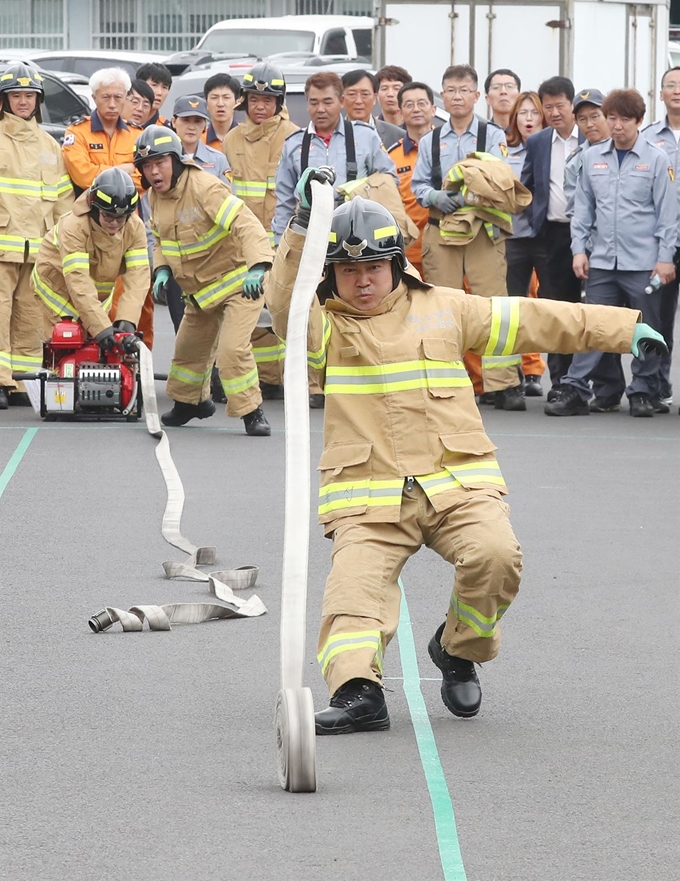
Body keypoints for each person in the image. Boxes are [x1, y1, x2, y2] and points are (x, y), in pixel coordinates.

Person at [268, 172, 667, 734]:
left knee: (496, 557)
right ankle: (359, 691)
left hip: (457, 483)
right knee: (353, 596)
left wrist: (624, 328)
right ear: (331, 273)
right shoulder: (326, 327)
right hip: (369, 495)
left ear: (395, 264)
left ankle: (459, 649)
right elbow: (285, 306)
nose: (362, 282)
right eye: (348, 271)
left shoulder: (446, 309)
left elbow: (536, 320)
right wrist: (303, 228)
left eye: (373, 269)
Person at [135, 126, 274, 436]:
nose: (154, 171)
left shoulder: (205, 187)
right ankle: (190, 404)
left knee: (232, 352)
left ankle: (252, 412)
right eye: (147, 166)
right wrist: (161, 270)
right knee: (186, 352)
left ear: (176, 160)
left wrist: (258, 267)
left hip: (239, 284)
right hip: (199, 294)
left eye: (160, 162)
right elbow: (159, 240)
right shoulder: (154, 198)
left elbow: (245, 224)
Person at [546, 89, 677, 418]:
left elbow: (668, 214)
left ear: (639, 122)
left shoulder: (658, 160)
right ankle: (576, 387)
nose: (617, 126)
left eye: (626, 120)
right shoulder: (591, 158)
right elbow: (582, 212)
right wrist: (579, 251)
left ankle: (643, 390)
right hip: (602, 260)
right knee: (593, 326)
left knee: (646, 329)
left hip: (643, 262)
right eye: (613, 118)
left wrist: (665, 258)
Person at [411, 64, 525, 410]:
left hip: (483, 231)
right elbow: (418, 186)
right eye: (450, 90)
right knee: (441, 307)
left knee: (495, 307)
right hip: (441, 230)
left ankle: (503, 384)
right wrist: (436, 197)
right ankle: (446, 381)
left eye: (464, 90)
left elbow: (500, 180)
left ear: (477, 97)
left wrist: (469, 195)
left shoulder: (492, 136)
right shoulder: (430, 139)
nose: (457, 96)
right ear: (441, 97)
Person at [0, 62, 74, 409]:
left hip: (37, 249)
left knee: (31, 318)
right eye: (16, 95)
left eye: (29, 95)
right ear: (5, 99)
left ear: (38, 99)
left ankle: (22, 382)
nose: (23, 102)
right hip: (2, 247)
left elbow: (62, 200)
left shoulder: (49, 145)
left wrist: (64, 245)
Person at [223, 63, 299, 400]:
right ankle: (268, 379)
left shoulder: (294, 137)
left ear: (279, 101)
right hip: (240, 245)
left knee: (283, 312)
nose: (260, 106)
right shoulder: (231, 139)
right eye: (254, 99)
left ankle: (287, 379)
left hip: (283, 241)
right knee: (250, 313)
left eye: (267, 100)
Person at [272, 71, 399, 241]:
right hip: (309, 235)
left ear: (341, 102)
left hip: (358, 234)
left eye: (327, 102)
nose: (320, 109)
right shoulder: (294, 144)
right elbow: (284, 203)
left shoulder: (365, 136)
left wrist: (359, 192)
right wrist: (281, 244)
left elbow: (389, 181)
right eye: (314, 102)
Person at [32, 167, 149, 348]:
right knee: (66, 351)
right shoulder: (74, 227)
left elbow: (137, 278)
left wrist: (127, 320)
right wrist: (101, 328)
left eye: (121, 218)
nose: (115, 224)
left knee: (101, 355)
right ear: (94, 208)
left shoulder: (134, 227)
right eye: (108, 216)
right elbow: (78, 280)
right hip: (57, 293)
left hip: (95, 298)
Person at [520, 76, 581, 394]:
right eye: (549, 106)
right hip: (554, 235)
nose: (555, 112)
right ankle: (561, 381)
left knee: (599, 307)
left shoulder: (591, 137)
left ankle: (604, 384)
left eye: (560, 105)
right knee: (558, 308)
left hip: (592, 234)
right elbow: (527, 185)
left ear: (572, 105)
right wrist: (535, 220)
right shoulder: (539, 142)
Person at [504, 90, 548, 397]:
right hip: (511, 237)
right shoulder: (503, 150)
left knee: (544, 304)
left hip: (544, 236)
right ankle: (514, 371)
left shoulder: (549, 147)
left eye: (534, 113)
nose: (529, 119)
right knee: (512, 306)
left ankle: (537, 370)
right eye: (523, 113)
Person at [642, 66, 680, 411]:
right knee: (660, 318)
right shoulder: (649, 136)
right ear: (661, 93)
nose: (677, 90)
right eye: (671, 85)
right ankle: (656, 385)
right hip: (663, 243)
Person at [62, 67, 141, 196]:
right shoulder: (77, 132)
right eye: (106, 97)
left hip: (131, 212)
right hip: (91, 211)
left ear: (126, 97)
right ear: (94, 98)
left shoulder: (137, 134)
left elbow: (144, 180)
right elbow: (83, 176)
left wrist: (100, 175)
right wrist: (122, 170)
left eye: (118, 97)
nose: (112, 104)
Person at [387, 81, 436, 277]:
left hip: (449, 246)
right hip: (409, 252)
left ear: (433, 109)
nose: (416, 109)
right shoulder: (391, 156)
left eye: (422, 103)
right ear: (400, 112)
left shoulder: (447, 147)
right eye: (409, 104)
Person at [341, 69, 404, 149]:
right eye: (352, 94)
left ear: (374, 98)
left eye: (365, 94)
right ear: (341, 99)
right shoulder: (332, 134)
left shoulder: (397, 136)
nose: (358, 101)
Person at [202, 73, 240, 150]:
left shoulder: (248, 137)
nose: (220, 104)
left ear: (237, 102)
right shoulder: (199, 140)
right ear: (206, 104)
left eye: (226, 97)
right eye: (214, 97)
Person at [135, 62, 172, 127]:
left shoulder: (165, 129)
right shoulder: (119, 122)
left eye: (164, 87)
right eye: (154, 85)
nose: (159, 93)